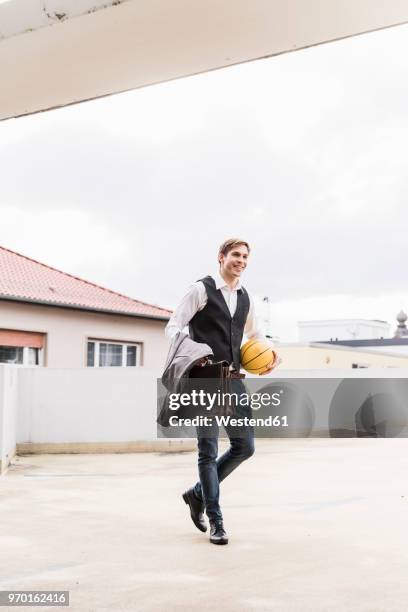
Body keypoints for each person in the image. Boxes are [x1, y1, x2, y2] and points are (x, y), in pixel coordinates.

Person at [165, 238, 280, 545]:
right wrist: (195, 351)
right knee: (208, 451)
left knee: (245, 446)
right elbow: (173, 327)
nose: (240, 260)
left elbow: (255, 334)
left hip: (233, 379)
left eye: (244, 256)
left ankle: (197, 494)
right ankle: (216, 520)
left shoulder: (246, 297)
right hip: (204, 379)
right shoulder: (201, 290)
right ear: (221, 257)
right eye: (235, 255)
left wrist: (270, 353)